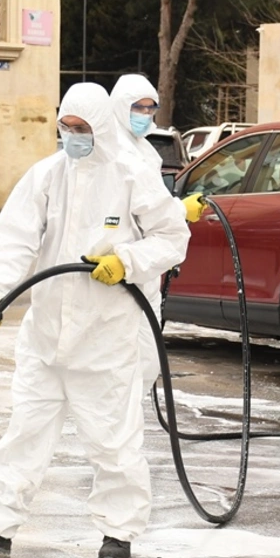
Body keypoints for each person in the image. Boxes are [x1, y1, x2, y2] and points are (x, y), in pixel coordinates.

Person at [0, 83, 190, 558]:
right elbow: (14, 239)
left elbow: (173, 236)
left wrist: (127, 260)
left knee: (113, 443)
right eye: (66, 127)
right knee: (25, 431)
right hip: (46, 338)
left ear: (101, 129)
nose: (73, 137)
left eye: (82, 130)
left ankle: (118, 535)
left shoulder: (130, 175)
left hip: (105, 340)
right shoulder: (45, 176)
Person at [109, 73, 175, 390]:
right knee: (121, 365)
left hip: (144, 267)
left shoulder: (146, 150)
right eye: (139, 108)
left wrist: (176, 211)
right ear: (121, 107)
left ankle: (128, 431)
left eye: (151, 109)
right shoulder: (113, 151)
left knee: (146, 360)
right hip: (119, 269)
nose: (145, 115)